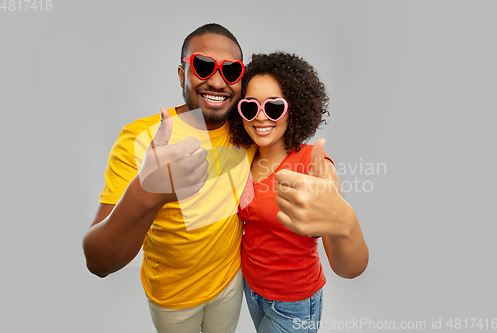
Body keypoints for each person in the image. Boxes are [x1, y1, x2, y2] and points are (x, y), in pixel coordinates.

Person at [83, 23, 349, 333]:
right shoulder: (140, 139)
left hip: (232, 285)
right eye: (203, 65)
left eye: (232, 71)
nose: (217, 81)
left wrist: (326, 172)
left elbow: (283, 139)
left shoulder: (247, 126)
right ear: (182, 73)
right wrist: (148, 191)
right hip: (172, 299)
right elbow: (98, 262)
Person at [229, 52, 369, 332]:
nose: (259, 117)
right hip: (252, 290)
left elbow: (349, 268)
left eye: (273, 107)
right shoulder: (245, 157)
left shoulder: (311, 164)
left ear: (293, 110)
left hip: (293, 304)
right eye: (250, 107)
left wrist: (346, 222)